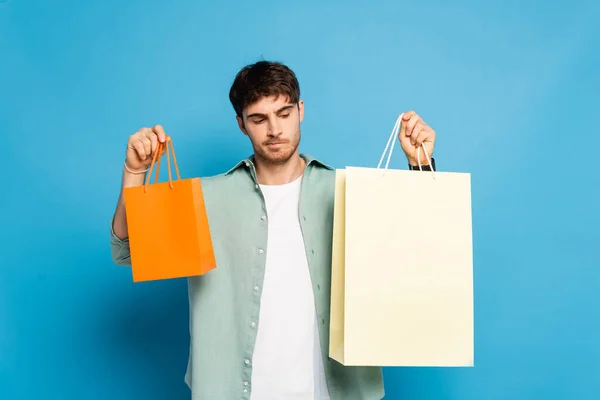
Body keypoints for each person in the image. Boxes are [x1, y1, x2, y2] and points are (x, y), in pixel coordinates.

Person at [110, 60, 437, 400]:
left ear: (301, 110)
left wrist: (420, 164)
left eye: (284, 113)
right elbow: (127, 250)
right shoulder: (206, 198)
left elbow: (416, 251)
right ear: (241, 124)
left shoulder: (347, 191)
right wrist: (134, 172)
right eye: (259, 119)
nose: (275, 130)